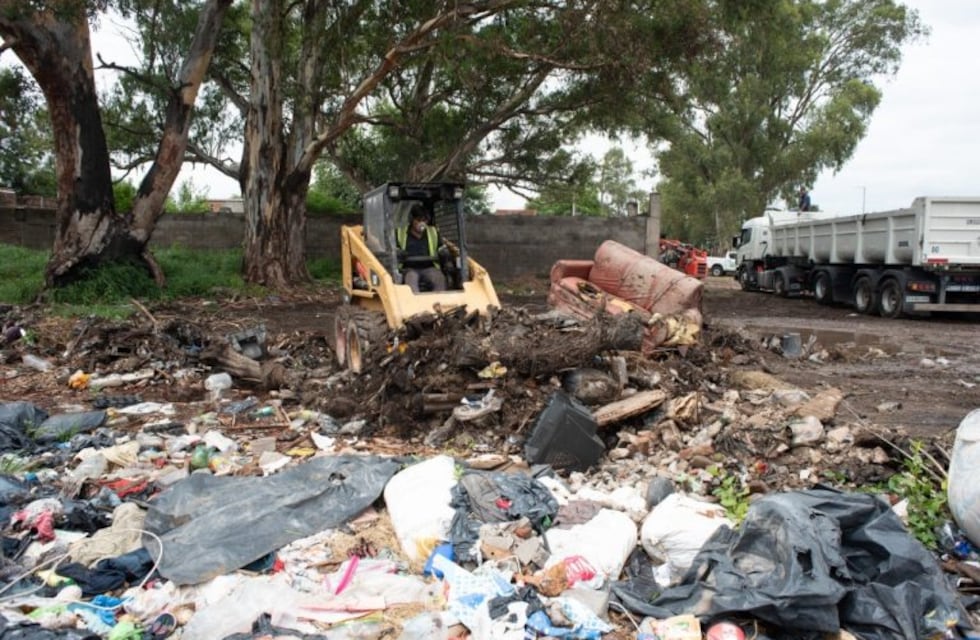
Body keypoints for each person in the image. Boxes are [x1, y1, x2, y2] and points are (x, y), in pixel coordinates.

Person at [396, 204, 447, 293]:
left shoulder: (433, 232)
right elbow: (394, 249)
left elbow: (441, 247)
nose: (422, 223)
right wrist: (399, 252)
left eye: (424, 220)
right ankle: (416, 305)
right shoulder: (400, 233)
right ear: (412, 220)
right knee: (411, 279)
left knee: (439, 278)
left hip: (429, 267)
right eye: (419, 220)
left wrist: (444, 253)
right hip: (409, 268)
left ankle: (437, 304)